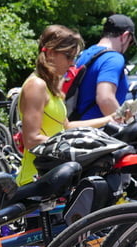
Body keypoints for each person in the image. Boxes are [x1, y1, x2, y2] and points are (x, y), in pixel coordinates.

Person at [16, 25, 117, 185]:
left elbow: (66, 127)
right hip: (35, 179)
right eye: (68, 56)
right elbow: (31, 139)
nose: (72, 64)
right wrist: (78, 146)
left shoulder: (51, 85)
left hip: (55, 174)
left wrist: (109, 119)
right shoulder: (36, 85)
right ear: (49, 52)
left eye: (74, 57)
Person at [71, 14, 136, 120]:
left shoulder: (84, 54)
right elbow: (105, 99)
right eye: (131, 42)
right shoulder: (114, 58)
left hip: (76, 124)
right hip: (98, 131)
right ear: (125, 36)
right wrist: (125, 122)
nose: (129, 46)